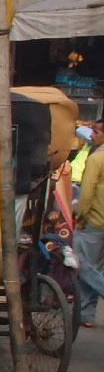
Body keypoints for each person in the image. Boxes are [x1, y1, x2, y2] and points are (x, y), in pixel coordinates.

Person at [73, 125, 104, 326]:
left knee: (81, 262)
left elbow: (87, 192)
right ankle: (87, 314)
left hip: (95, 219)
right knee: (95, 266)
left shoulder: (96, 158)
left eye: (97, 132)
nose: (92, 135)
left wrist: (81, 217)